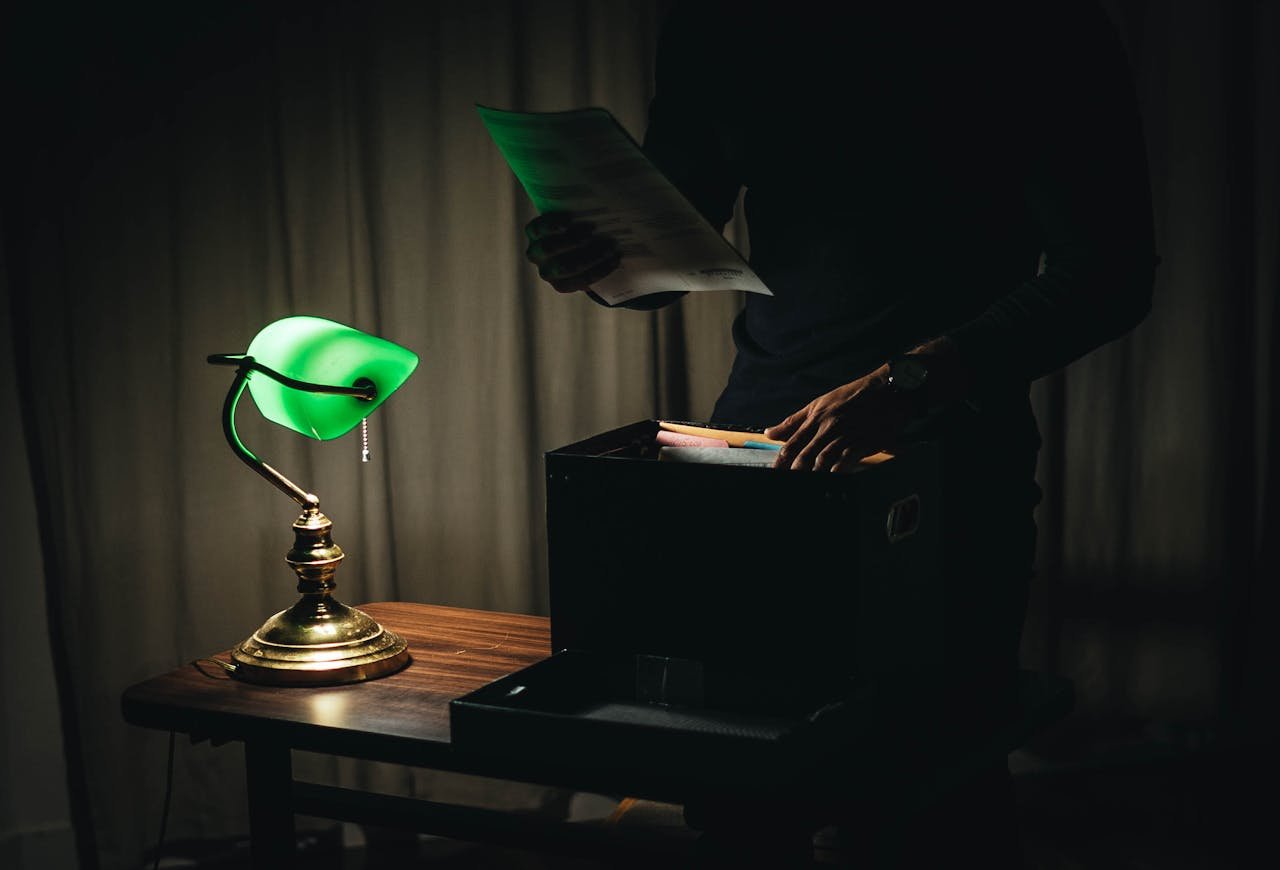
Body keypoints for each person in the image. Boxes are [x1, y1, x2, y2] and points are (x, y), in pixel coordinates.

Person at [525, 2, 1156, 865]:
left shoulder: (1038, 27)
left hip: (950, 466)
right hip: (759, 451)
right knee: (741, 791)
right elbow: (669, 251)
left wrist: (912, 381)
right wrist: (596, 262)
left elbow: (1113, 273)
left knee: (933, 794)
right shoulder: (718, 24)